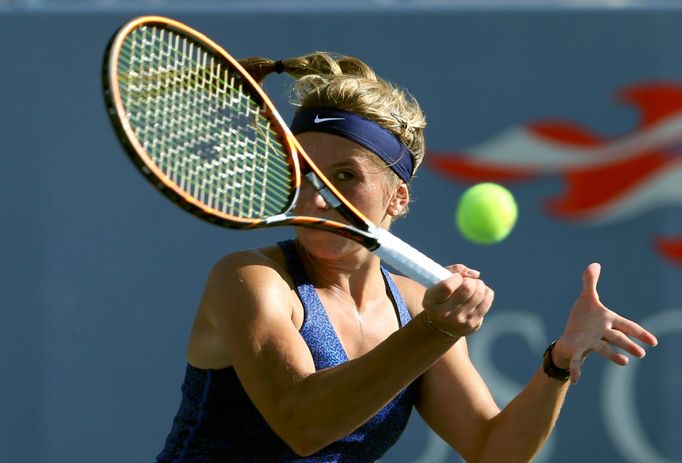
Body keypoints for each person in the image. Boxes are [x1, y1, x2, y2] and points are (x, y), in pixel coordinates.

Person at [156, 52, 658, 463]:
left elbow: (492, 451)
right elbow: (303, 425)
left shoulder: (416, 306)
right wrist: (434, 332)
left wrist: (558, 362)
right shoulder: (251, 279)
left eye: (346, 177)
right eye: (306, 175)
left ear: (396, 198)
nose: (317, 200)